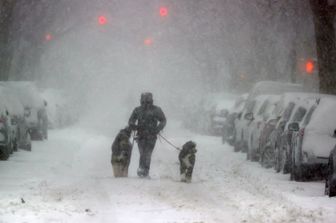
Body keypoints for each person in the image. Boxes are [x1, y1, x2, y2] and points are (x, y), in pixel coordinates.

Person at [128, 92, 166, 178]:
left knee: (148, 153)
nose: (145, 104)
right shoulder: (137, 110)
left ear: (151, 101)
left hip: (152, 136)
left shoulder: (156, 110)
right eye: (143, 102)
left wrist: (157, 129)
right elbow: (131, 121)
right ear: (140, 101)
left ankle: (145, 170)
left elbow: (163, 120)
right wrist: (134, 126)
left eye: (147, 102)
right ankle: (142, 170)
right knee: (142, 153)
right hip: (140, 135)